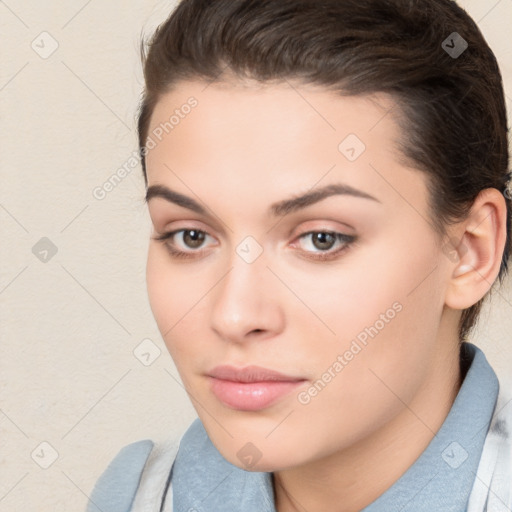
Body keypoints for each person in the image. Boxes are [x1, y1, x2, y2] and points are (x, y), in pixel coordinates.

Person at [86, 0, 512, 510]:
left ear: (470, 250)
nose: (235, 315)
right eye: (191, 236)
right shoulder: (140, 496)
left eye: (321, 239)